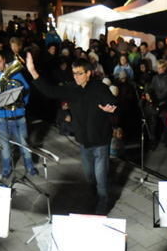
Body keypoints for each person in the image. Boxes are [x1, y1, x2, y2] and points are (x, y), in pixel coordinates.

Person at [26, 53, 117, 214]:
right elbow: (50, 91)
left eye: (79, 73)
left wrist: (111, 108)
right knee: (89, 175)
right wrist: (33, 71)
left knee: (100, 175)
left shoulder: (99, 87)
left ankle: (103, 201)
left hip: (101, 139)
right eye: (74, 73)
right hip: (83, 140)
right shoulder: (71, 89)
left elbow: (114, 102)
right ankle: (93, 194)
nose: (76, 77)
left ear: (89, 73)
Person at [0, 49, 38, 183]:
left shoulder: (16, 73)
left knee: (24, 142)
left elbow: (26, 89)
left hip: (19, 114)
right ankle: (7, 168)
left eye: (0, 62)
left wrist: (22, 101)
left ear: (4, 60)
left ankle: (29, 165)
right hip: (1, 116)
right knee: (5, 146)